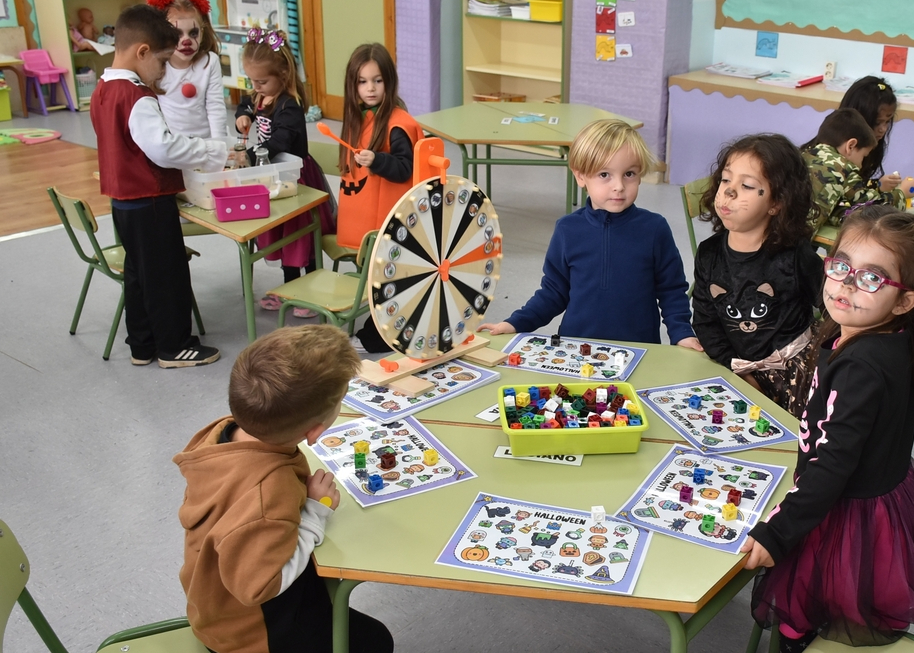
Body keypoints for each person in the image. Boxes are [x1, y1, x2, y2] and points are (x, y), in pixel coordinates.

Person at [734, 205, 914, 653]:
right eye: (840, 264)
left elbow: (832, 467)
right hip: (884, 496)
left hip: (843, 511)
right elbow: (905, 413)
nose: (845, 285)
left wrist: (779, 532)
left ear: (905, 298)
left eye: (870, 278)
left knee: (804, 611)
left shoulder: (860, 362)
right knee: (842, 606)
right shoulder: (896, 340)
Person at [176, 325, 394, 653]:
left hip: (215, 601)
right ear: (315, 432)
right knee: (372, 645)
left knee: (326, 583)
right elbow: (259, 585)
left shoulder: (226, 432)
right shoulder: (267, 493)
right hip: (249, 635)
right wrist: (313, 512)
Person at [478, 119, 701, 349]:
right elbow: (553, 293)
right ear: (581, 176)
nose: (619, 186)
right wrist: (516, 323)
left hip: (640, 350)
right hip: (576, 349)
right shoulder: (567, 230)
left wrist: (682, 333)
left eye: (629, 174)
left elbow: (672, 290)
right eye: (605, 174)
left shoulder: (655, 229)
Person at [91, 4, 226, 367]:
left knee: (139, 275)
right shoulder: (136, 96)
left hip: (123, 203)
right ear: (143, 52)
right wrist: (212, 150)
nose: (164, 72)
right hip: (149, 201)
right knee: (166, 276)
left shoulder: (103, 88)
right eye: (163, 62)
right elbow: (163, 148)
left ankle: (142, 344)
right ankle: (174, 346)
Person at [691, 134, 824, 416]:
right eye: (726, 180)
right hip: (735, 372)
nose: (729, 192)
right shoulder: (709, 254)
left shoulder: (795, 255)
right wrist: (736, 370)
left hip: (796, 378)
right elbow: (706, 321)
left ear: (776, 203)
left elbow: (833, 306)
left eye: (747, 185)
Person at [235, 29, 336, 317]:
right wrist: (242, 115)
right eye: (252, 81)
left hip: (297, 178)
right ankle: (291, 290)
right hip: (277, 174)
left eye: (262, 81)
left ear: (283, 74)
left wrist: (250, 155)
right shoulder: (261, 94)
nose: (256, 87)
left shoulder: (288, 107)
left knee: (301, 237)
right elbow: (245, 102)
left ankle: (312, 292)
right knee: (283, 234)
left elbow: (279, 141)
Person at [333, 43, 424, 353]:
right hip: (368, 218)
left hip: (388, 220)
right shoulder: (359, 117)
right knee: (377, 276)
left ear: (389, 81)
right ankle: (376, 329)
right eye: (362, 81)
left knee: (388, 280)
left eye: (377, 80)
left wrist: (378, 161)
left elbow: (406, 168)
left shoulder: (398, 123)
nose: (370, 88)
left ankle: (376, 337)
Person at [800, 108, 903, 232]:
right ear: (851, 146)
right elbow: (877, 209)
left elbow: (833, 206)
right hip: (796, 244)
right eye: (863, 157)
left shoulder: (804, 155)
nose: (860, 166)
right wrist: (901, 194)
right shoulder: (844, 169)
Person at [146, 0, 227, 139]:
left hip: (206, 143)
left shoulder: (209, 62)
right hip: (173, 146)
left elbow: (216, 108)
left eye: (193, 33)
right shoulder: (156, 65)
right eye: (177, 34)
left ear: (202, 32)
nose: (186, 41)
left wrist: (219, 147)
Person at [838, 76, 900, 191]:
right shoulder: (838, 155)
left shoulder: (868, 148)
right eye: (877, 122)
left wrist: (877, 185)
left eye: (887, 122)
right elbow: (853, 198)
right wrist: (900, 195)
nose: (883, 129)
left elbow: (857, 186)